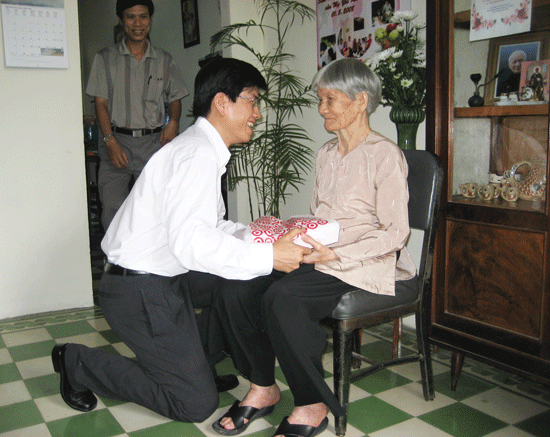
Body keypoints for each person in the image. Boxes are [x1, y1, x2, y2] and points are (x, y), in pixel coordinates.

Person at [51, 57, 312, 423]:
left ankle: (197, 361)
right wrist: (268, 256)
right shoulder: (196, 155)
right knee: (194, 404)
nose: (257, 113)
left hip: (164, 276)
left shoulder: (201, 149)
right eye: (252, 101)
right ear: (222, 103)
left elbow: (210, 227)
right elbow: (192, 244)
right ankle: (77, 362)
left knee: (246, 278)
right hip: (138, 291)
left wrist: (259, 237)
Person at [211, 58, 417, 437]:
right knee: (236, 286)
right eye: (321, 100)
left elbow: (395, 232)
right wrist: (289, 236)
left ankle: (311, 404)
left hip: (362, 259)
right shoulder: (326, 154)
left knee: (283, 299)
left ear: (361, 101)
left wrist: (337, 254)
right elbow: (319, 216)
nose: (322, 109)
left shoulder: (385, 155)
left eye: (330, 100)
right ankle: (262, 386)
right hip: (320, 253)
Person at [86, 0, 189, 230]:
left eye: (143, 16)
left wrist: (173, 122)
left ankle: (150, 253)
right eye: (131, 17)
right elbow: (100, 104)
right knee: (112, 210)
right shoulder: (105, 58)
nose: (138, 23)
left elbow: (175, 99)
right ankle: (115, 253)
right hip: (116, 142)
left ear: (150, 20)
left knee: (156, 208)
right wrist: (109, 141)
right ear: (121, 21)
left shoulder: (165, 60)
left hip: (153, 143)